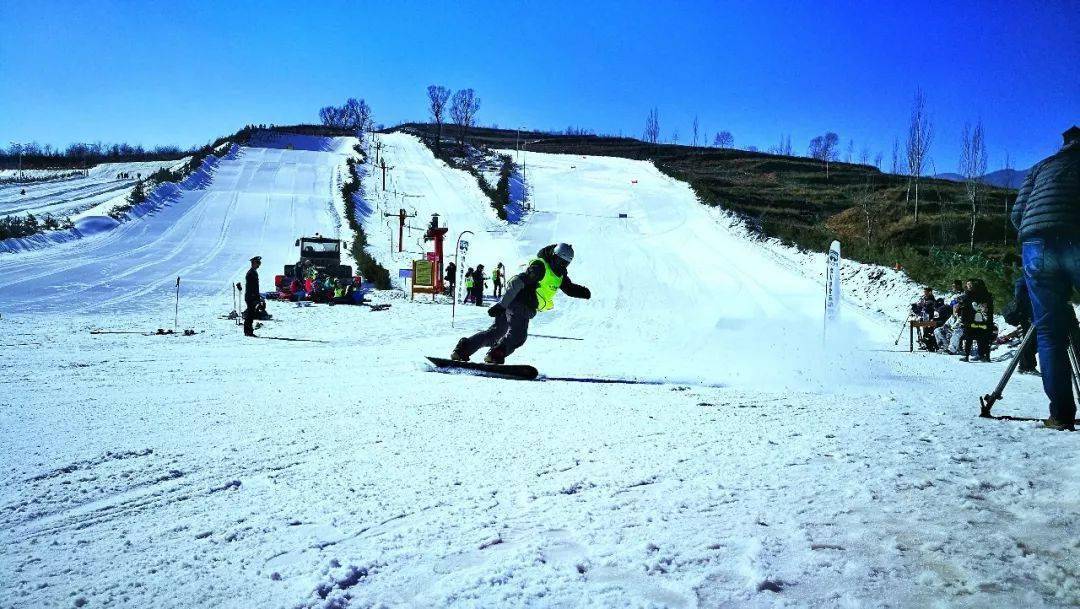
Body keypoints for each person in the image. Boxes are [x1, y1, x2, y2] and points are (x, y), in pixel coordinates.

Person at [1012, 125, 1080, 430]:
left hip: (1036, 245)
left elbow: (1017, 215)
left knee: (1049, 333)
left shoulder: (1041, 168)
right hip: (1076, 239)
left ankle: (1061, 414)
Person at [451, 243, 591, 364]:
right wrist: (502, 305)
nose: (562, 266)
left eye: (566, 263)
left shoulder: (559, 275)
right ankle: (494, 355)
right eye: (561, 262)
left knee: (496, 333)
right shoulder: (540, 266)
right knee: (518, 336)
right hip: (519, 302)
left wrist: (586, 292)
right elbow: (517, 281)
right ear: (554, 256)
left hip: (516, 303)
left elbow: (569, 289)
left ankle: (463, 350)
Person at [1001, 276, 1038, 374]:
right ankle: (1026, 367)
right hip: (1027, 315)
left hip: (1033, 313)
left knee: (1032, 341)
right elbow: (1020, 298)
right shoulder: (1024, 280)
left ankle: (1026, 366)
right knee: (1028, 341)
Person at [958, 279, 994, 362]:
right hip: (984, 321)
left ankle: (967, 356)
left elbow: (964, 307)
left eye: (970, 285)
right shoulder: (987, 295)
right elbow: (990, 310)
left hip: (971, 320)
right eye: (968, 285)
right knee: (984, 338)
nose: (969, 286)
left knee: (969, 338)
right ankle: (985, 356)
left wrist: (963, 320)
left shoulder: (969, 295)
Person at [243, 256, 262, 337]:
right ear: (253, 263)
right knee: (250, 314)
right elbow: (252, 287)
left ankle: (248, 331)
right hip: (251, 296)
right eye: (258, 263)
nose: (259, 265)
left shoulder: (253, 272)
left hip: (252, 296)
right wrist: (255, 296)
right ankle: (248, 331)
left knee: (251, 314)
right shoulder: (251, 273)